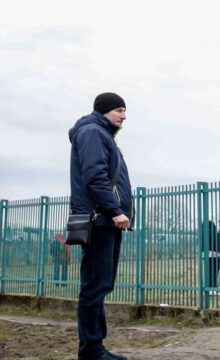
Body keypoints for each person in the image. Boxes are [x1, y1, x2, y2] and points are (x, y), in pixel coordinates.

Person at [69, 92, 133, 360]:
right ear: (105, 110)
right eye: (119, 110)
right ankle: (91, 350)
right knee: (95, 285)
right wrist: (115, 210)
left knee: (101, 284)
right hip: (100, 220)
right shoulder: (93, 132)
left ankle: (96, 347)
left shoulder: (103, 135)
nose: (124, 115)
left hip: (107, 220)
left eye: (125, 111)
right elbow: (94, 177)